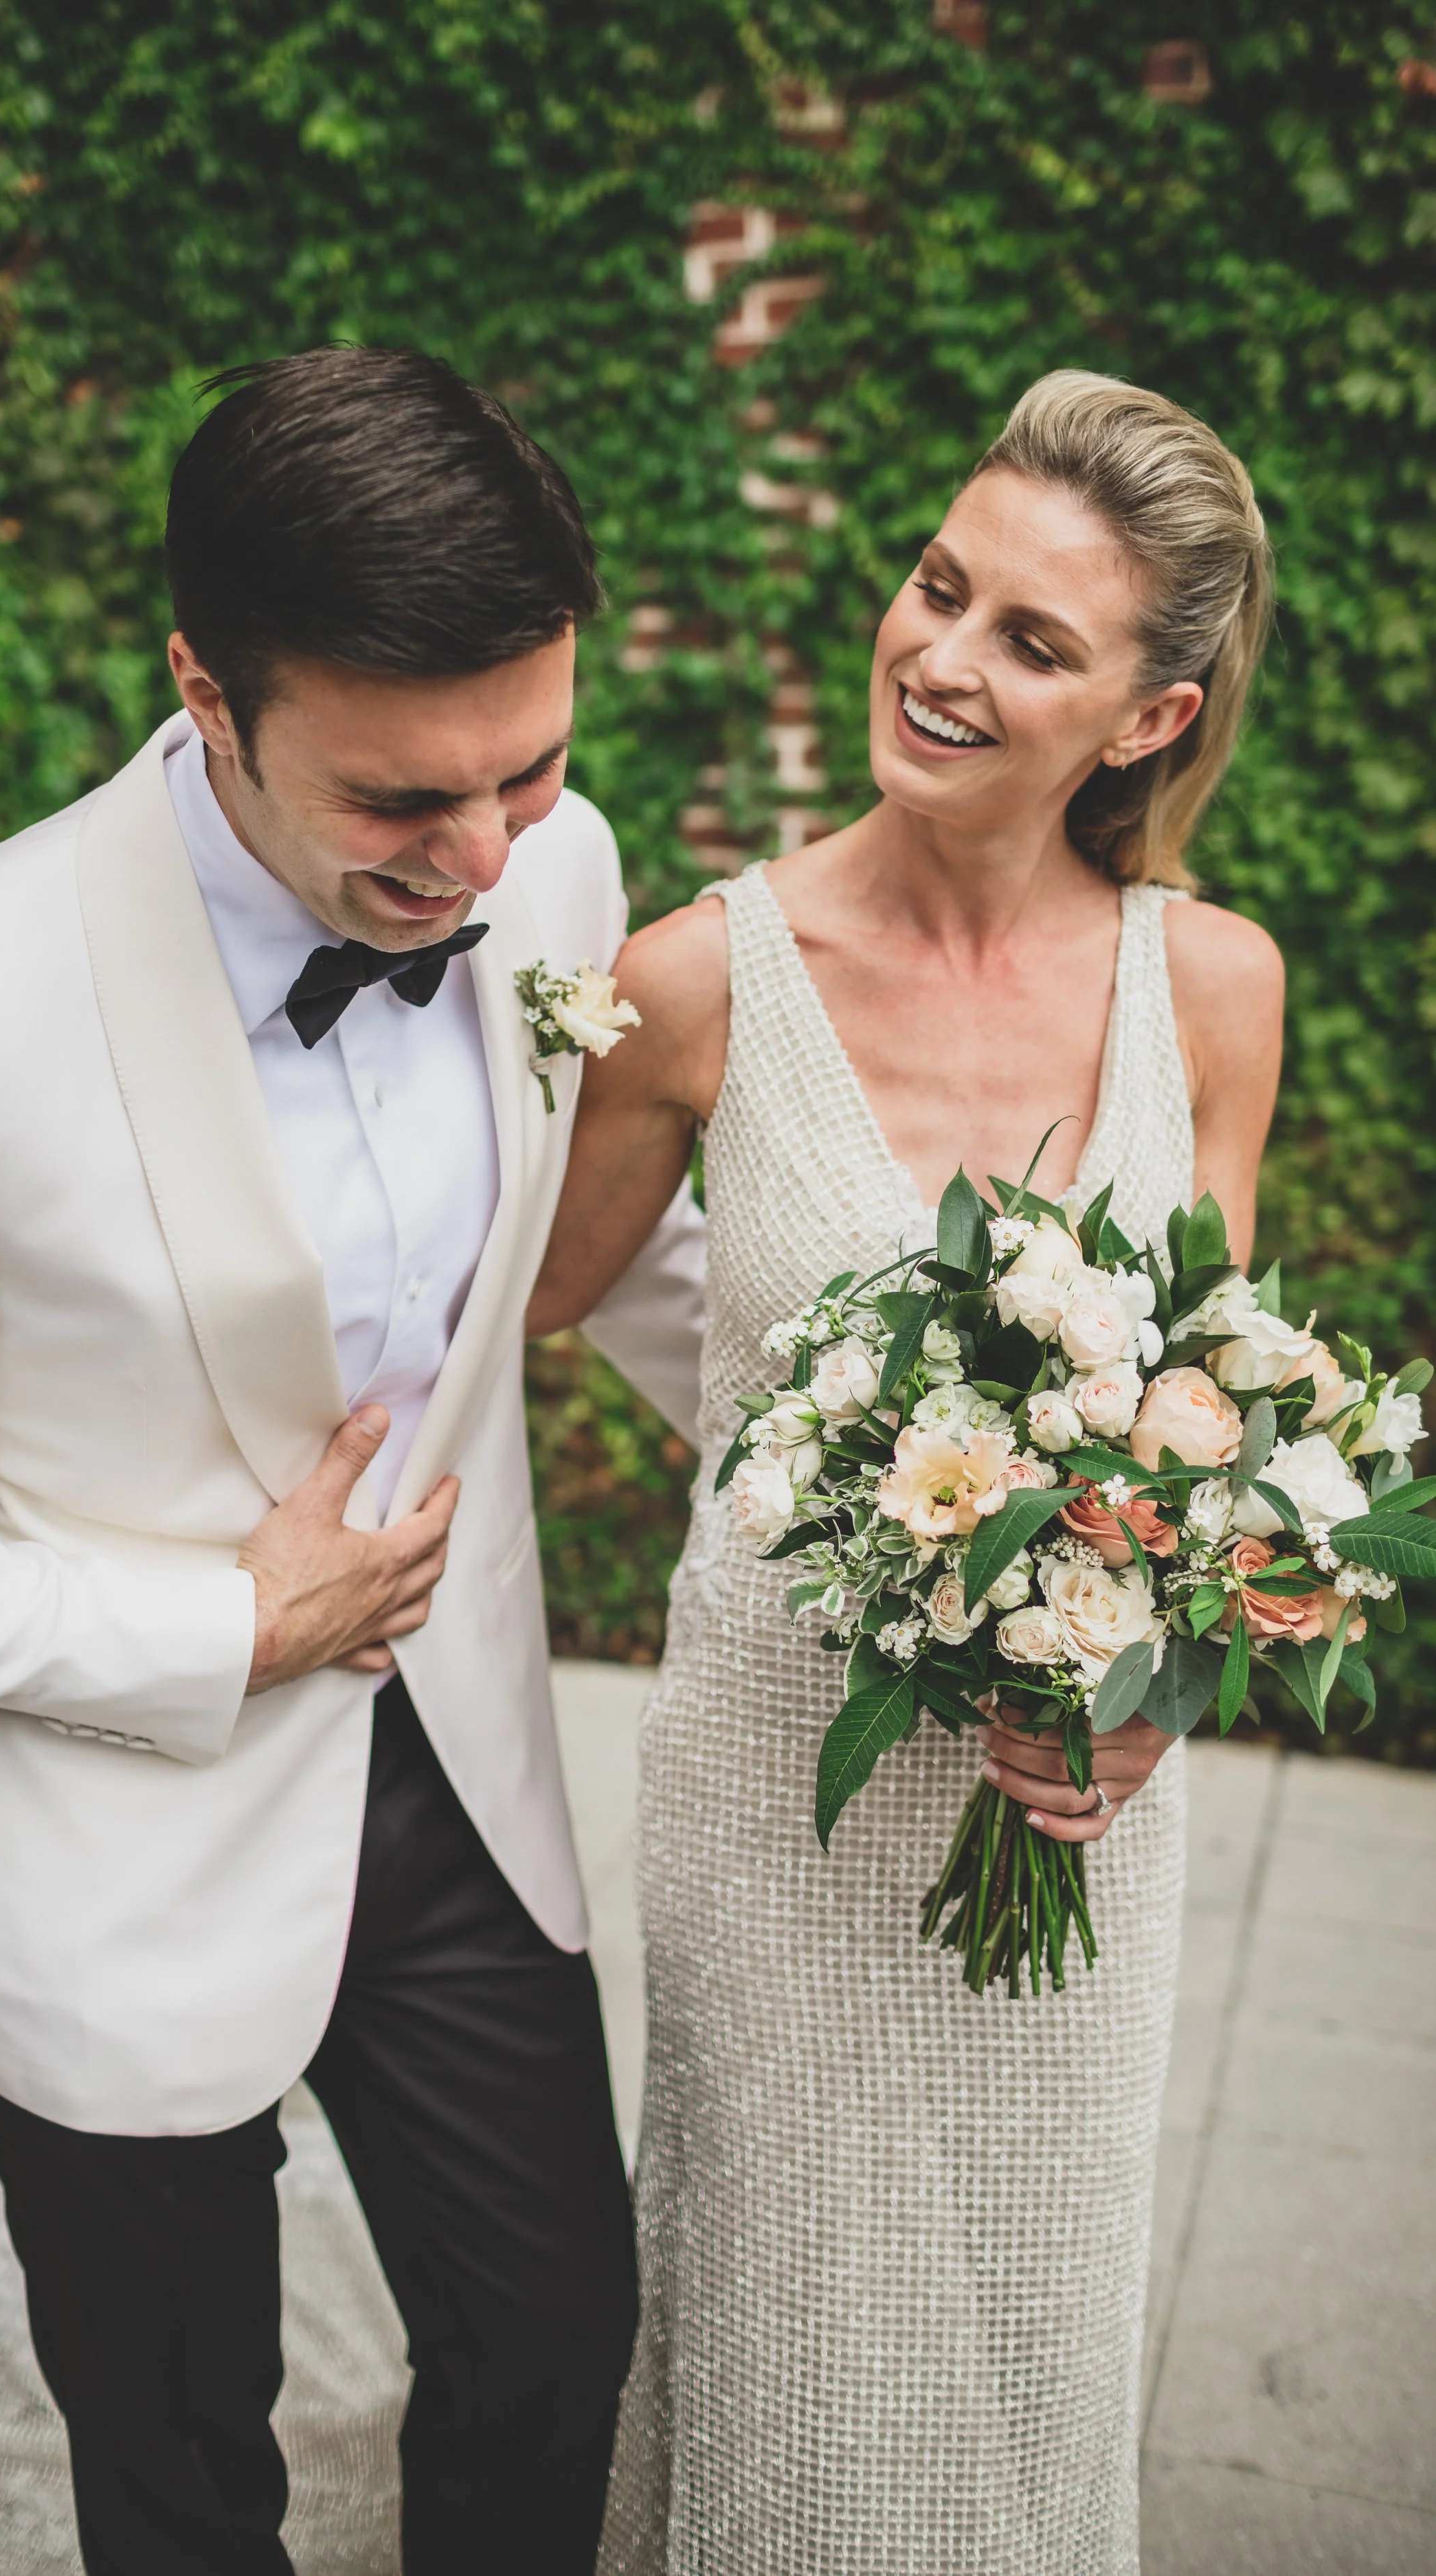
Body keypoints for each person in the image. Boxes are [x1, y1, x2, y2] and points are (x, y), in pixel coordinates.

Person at [0, 348, 705, 2576]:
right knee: (182, 2467)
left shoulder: (560, 889)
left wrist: (917, 1470)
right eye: (397, 806)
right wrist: (215, 1624)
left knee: (558, 2334)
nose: (474, 864)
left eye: (523, 773)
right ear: (205, 689)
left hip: (454, 1776)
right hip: (105, 1829)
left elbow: (583, 1255)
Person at [530, 371, 1283, 2575]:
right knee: (790, 2310)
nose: (939, 656)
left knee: (1032, 2314)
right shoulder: (690, 983)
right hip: (782, 1770)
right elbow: (532, 1294)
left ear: (1145, 718)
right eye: (938, 586)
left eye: (1032, 641)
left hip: (1066, 1786)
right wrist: (821, 1468)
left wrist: (1146, 1671)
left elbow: (1206, 1413)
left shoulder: (1212, 988)